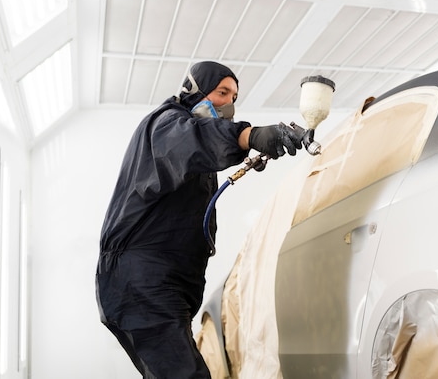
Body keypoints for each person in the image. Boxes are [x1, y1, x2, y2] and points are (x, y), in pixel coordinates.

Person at [95, 61, 303, 378]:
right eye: (222, 92)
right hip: (142, 282)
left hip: (156, 283)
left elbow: (202, 147)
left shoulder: (186, 141)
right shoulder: (167, 124)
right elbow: (193, 140)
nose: (228, 103)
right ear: (194, 90)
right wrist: (250, 136)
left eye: (234, 96)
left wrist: (248, 148)